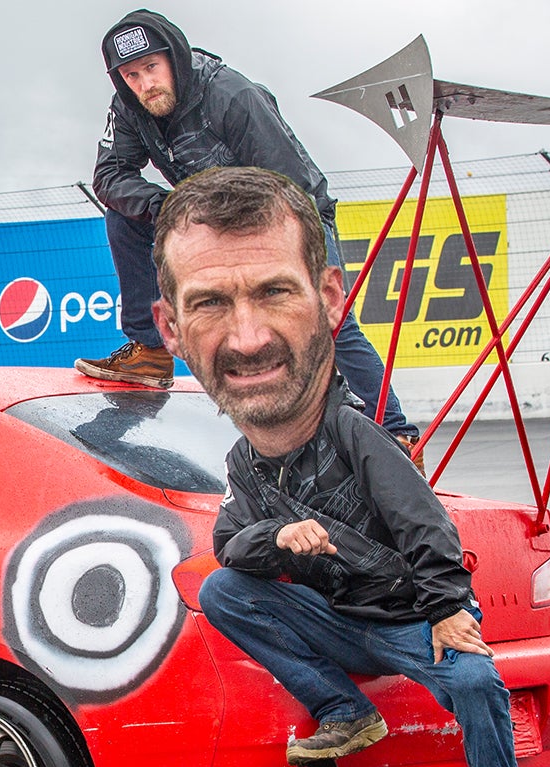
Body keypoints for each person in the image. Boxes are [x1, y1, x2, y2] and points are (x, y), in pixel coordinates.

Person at [153, 166, 550, 767]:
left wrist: (446, 610)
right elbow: (231, 543)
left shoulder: (354, 431)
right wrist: (282, 535)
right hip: (335, 627)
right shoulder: (246, 461)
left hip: (404, 621)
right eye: (212, 302)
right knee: (221, 588)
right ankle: (343, 710)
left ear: (328, 300)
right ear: (173, 327)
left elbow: (425, 523)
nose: (246, 333)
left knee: (477, 685)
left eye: (273, 291)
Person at [80, 9, 421, 458]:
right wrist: (168, 206)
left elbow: (288, 182)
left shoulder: (230, 94)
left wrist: (238, 233)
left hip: (290, 210)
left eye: (151, 69)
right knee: (123, 216)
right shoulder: (127, 106)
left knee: (328, 318)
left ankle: (397, 433)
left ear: (175, 60)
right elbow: (109, 175)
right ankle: (149, 350)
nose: (145, 85)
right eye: (131, 75)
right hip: (211, 215)